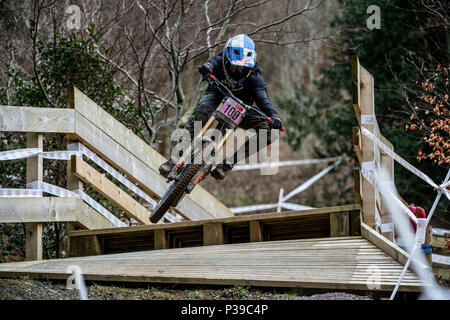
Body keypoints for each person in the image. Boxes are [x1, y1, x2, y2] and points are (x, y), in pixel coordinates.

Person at [159, 34, 283, 180]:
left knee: (271, 133)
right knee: (201, 112)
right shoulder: (220, 59)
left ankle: (227, 164)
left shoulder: (255, 76)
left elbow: (263, 99)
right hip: (217, 96)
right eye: (235, 66)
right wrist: (206, 69)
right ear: (227, 58)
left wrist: (274, 116)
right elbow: (210, 64)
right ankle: (174, 159)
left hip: (241, 108)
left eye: (242, 68)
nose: (238, 70)